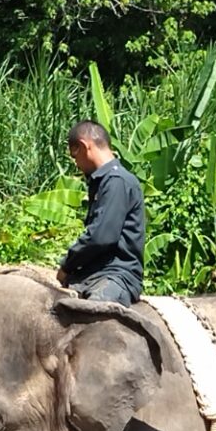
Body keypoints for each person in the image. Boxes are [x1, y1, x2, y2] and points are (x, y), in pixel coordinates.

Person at [56, 121, 145, 305]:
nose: (77, 164)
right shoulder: (103, 182)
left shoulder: (117, 181)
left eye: (75, 157)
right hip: (92, 274)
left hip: (116, 276)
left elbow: (101, 237)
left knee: (89, 319)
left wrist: (67, 265)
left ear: (83, 146)